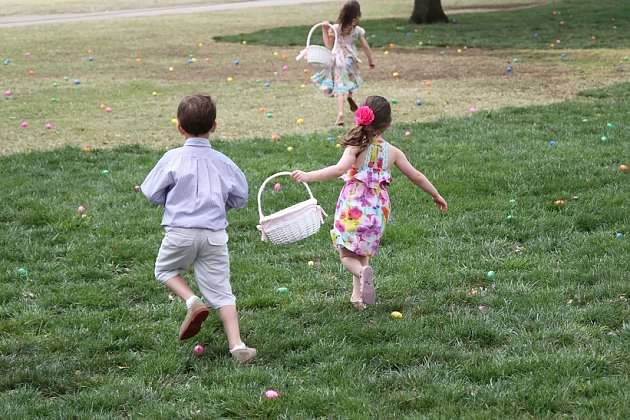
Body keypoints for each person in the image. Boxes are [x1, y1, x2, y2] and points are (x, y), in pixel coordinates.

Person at [291, 96, 448, 310]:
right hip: (377, 211)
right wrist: (435, 194)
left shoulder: (356, 145)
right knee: (361, 252)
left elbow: (338, 169)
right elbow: (416, 176)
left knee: (347, 254)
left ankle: (361, 274)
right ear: (388, 124)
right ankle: (358, 297)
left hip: (353, 208)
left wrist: (308, 176)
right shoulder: (393, 152)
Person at [141, 94, 256, 363]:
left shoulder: (172, 158)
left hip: (180, 232)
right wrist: (222, 205)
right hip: (214, 235)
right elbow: (240, 197)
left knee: (165, 270)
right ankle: (237, 345)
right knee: (222, 292)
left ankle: (192, 301)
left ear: (180, 127)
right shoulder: (224, 162)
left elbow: (151, 192)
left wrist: (171, 200)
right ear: (214, 126)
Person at [313, 0, 375, 126]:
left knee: (340, 86)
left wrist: (324, 29)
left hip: (338, 61)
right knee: (350, 80)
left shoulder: (335, 28)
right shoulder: (357, 30)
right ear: (357, 14)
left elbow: (328, 45)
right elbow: (365, 46)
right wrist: (370, 60)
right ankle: (350, 96)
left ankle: (340, 113)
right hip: (351, 60)